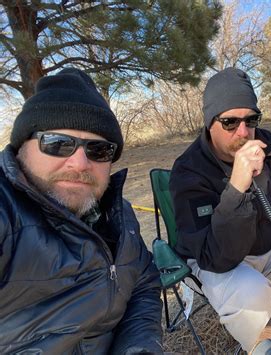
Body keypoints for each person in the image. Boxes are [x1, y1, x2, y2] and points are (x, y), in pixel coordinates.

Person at [0, 68, 163, 354]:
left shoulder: (117, 214)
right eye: (57, 143)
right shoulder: (7, 214)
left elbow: (143, 284)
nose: (80, 163)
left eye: (98, 150)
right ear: (20, 147)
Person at [170, 67, 271, 351]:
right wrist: (236, 188)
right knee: (251, 293)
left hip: (268, 243)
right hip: (212, 260)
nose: (243, 133)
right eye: (229, 122)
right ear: (209, 123)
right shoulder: (188, 172)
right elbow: (215, 257)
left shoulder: (265, 143)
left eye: (251, 119)